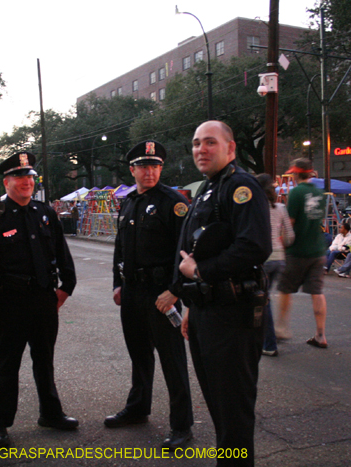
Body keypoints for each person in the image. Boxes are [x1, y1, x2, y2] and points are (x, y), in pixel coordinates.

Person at [175, 121, 271, 466]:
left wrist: (203, 272)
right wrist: (190, 303)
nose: (201, 149)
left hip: (233, 314)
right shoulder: (209, 187)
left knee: (233, 409)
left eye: (210, 143)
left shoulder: (240, 186)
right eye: (196, 143)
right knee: (218, 403)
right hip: (207, 310)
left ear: (230, 149)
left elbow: (255, 245)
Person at [0, 151, 78, 449]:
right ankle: (0, 424)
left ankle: (51, 413)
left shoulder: (44, 213)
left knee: (45, 361)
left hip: (44, 300)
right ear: (7, 182)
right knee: (6, 365)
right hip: (8, 303)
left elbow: (62, 253)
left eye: (29, 177)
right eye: (19, 177)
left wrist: (66, 287)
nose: (26, 182)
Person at [106, 141, 193, 450]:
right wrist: (117, 283)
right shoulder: (128, 202)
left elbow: (186, 254)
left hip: (162, 295)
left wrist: (174, 291)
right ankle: (138, 408)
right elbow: (120, 246)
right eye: (143, 166)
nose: (150, 171)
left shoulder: (174, 203)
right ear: (133, 170)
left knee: (173, 361)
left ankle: (182, 425)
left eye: (155, 166)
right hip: (132, 292)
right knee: (139, 355)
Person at [275, 158, 328, 350]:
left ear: (297, 173)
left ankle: (281, 328)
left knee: (285, 289)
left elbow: (290, 222)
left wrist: (281, 242)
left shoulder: (296, 192)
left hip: (297, 250)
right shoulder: (320, 193)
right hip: (317, 249)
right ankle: (320, 335)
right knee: (317, 292)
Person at [255, 174, 294, 358]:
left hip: (263, 259)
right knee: (265, 298)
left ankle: (268, 343)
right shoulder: (280, 208)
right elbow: (289, 237)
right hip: (280, 259)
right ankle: (266, 338)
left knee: (263, 300)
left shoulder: (255, 207)